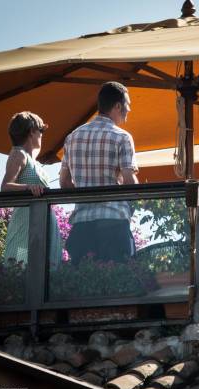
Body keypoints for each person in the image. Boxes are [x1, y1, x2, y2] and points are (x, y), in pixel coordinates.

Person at [60, 81, 139, 264]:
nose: (129, 111)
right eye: (127, 105)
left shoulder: (72, 137)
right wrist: (132, 202)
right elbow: (129, 181)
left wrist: (83, 199)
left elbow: (64, 182)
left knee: (83, 286)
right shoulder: (122, 137)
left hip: (82, 225)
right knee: (119, 282)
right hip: (114, 221)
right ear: (118, 106)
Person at [1, 112, 62, 269]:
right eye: (40, 131)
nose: (42, 135)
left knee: (41, 276)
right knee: (21, 271)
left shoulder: (32, 161)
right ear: (31, 132)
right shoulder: (19, 153)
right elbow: (6, 186)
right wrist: (29, 187)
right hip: (26, 230)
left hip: (38, 229)